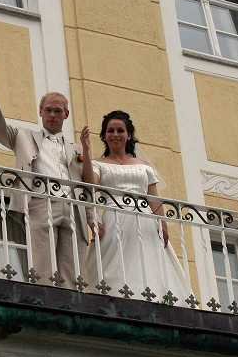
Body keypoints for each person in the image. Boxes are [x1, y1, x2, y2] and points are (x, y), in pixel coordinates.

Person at [0, 60, 90, 285]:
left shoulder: (76, 149)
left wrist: (93, 218)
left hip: (72, 206)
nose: (52, 114)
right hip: (41, 202)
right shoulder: (23, 137)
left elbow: (88, 186)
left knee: (72, 270)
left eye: (57, 111)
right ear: (40, 112)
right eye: (48, 110)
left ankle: (70, 307)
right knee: (43, 267)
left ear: (66, 114)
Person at [79, 110, 190, 302]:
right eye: (110, 130)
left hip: (145, 220)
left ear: (128, 135)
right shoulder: (99, 164)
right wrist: (87, 152)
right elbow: (91, 184)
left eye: (120, 130)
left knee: (147, 262)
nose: (115, 134)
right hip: (115, 219)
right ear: (104, 136)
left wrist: (162, 223)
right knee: (116, 264)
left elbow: (154, 198)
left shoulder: (143, 165)